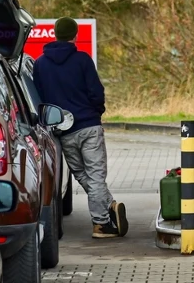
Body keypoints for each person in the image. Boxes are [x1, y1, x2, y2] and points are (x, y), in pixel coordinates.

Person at [32, 17, 128, 239]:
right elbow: (96, 92)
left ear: (55, 34)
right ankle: (101, 223)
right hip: (89, 127)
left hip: (63, 131)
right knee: (95, 176)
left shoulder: (40, 64)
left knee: (83, 175)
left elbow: (40, 99)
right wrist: (96, 113)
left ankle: (109, 205)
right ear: (75, 35)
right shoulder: (83, 60)